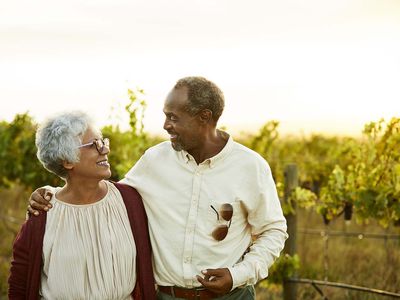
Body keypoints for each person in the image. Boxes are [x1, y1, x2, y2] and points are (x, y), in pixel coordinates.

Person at [28, 76, 288, 299]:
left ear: (204, 118)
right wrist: (50, 193)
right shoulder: (154, 160)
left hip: (233, 296)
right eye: (165, 116)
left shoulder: (250, 167)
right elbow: (104, 193)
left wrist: (237, 274)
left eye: (173, 117)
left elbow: (273, 230)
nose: (165, 126)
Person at [9, 111, 156, 299]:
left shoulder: (129, 200)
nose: (105, 149)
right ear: (68, 161)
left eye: (103, 141)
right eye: (94, 145)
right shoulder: (43, 212)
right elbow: (19, 283)